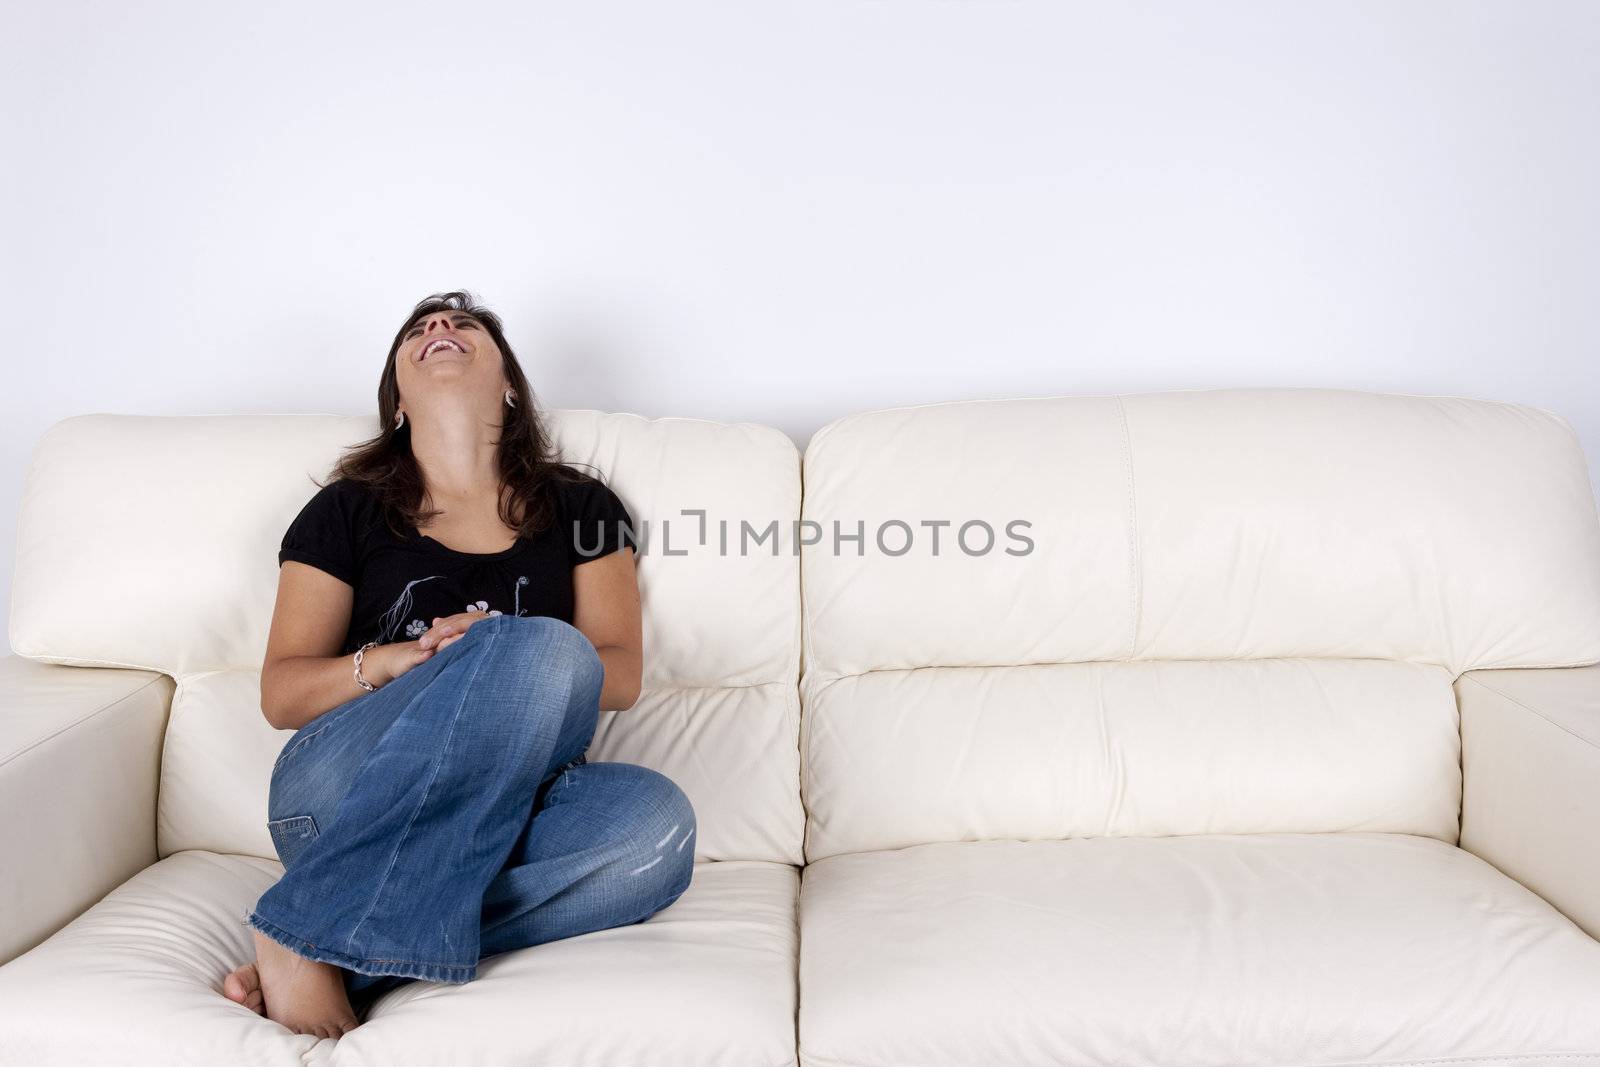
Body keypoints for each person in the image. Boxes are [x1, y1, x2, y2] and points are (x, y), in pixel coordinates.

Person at [221, 291, 694, 1038]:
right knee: (527, 640)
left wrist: (497, 642)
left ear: (508, 382)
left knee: (655, 829)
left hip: (514, 800)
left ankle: (316, 942)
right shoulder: (343, 512)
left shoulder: (585, 505)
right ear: (397, 400)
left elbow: (621, 673)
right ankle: (332, 927)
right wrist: (404, 658)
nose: (440, 328)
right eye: (420, 329)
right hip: (343, 792)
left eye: (463, 324)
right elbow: (282, 693)